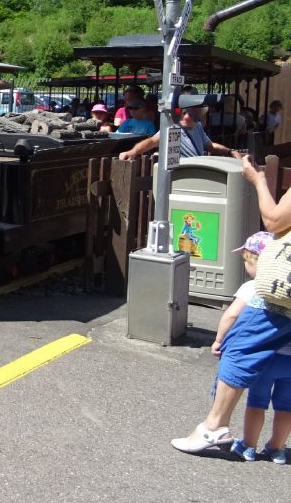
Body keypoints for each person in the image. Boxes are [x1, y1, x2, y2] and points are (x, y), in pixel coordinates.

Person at [171, 160, 291, 455]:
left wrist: (257, 180)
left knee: (237, 350)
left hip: (280, 298)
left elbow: (274, 221)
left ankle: (214, 427)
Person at [213, 232, 291, 463]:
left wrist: (219, 340)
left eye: (246, 260)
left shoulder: (253, 288)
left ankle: (248, 445)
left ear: (257, 261)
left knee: (256, 402)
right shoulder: (286, 292)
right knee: (286, 406)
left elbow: (231, 315)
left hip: (265, 358)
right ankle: (277, 449)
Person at [118, 104, 238, 161]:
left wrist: (229, 151)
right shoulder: (173, 128)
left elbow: (209, 145)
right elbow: (152, 141)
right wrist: (132, 152)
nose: (186, 117)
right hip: (181, 175)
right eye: (184, 113)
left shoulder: (198, 127)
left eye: (191, 114)